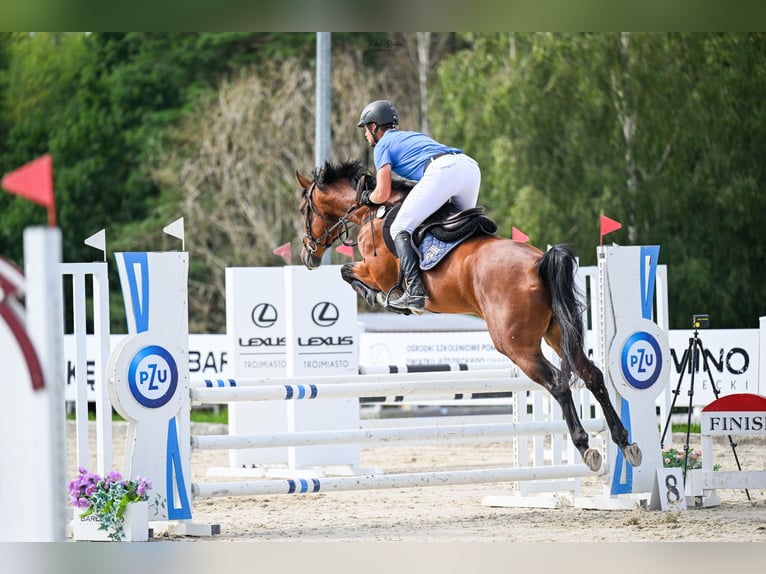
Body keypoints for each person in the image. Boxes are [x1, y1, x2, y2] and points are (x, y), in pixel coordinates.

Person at [357, 99, 481, 311]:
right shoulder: (411, 136)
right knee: (458, 227)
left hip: (443, 170)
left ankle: (414, 292)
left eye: (366, 130)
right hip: (470, 168)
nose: (366, 135)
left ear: (374, 126)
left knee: (399, 227)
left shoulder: (382, 145)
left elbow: (383, 192)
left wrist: (367, 198)